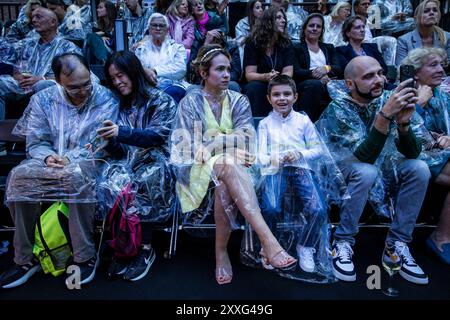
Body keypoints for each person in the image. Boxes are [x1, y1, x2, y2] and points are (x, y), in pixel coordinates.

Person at [170, 44, 297, 285]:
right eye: (220, 69)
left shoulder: (239, 99)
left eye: (228, 69)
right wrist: (228, 145)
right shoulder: (190, 102)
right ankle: (268, 242)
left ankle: (221, 253)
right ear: (203, 73)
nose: (227, 74)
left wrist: (216, 141)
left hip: (234, 168)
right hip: (196, 169)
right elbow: (189, 149)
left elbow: (247, 138)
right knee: (228, 164)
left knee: (226, 182)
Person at [0, 53, 119, 289]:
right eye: (74, 88)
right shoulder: (43, 99)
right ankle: (24, 258)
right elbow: (35, 141)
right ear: (57, 81)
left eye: (86, 84)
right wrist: (48, 156)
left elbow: (100, 144)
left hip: (89, 161)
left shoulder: (105, 98)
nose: (83, 91)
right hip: (49, 160)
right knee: (18, 179)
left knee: (75, 177)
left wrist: (69, 158)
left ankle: (84, 255)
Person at [316, 56, 431, 285]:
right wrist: (385, 117)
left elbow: (413, 152)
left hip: (383, 165)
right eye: (368, 76)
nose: (378, 80)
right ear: (350, 84)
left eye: (379, 73)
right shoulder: (338, 108)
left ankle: (396, 244)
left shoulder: (390, 99)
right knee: (366, 171)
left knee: (419, 168)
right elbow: (360, 157)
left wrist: (404, 125)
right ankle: (343, 241)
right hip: (344, 170)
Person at [251, 75, 346, 282]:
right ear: (268, 98)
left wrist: (299, 153)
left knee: (318, 208)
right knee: (271, 207)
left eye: (286, 94)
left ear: (295, 96)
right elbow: (259, 156)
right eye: (276, 94)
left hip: (301, 168)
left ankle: (306, 245)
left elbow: (318, 149)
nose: (282, 98)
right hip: (275, 169)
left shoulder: (303, 120)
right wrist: (273, 157)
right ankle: (270, 246)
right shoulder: (266, 124)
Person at [97, 50, 177, 281]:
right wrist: (109, 142)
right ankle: (123, 245)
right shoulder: (116, 105)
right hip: (128, 161)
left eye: (121, 75)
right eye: (112, 78)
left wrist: (121, 132)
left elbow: (158, 137)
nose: (117, 82)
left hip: (158, 159)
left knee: (147, 178)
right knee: (111, 179)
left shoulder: (161, 100)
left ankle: (144, 247)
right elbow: (120, 150)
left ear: (134, 72)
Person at [403, 47, 450, 265]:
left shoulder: (442, 95)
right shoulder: (403, 92)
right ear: (415, 72)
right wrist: (419, 103)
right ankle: (440, 237)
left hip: (441, 154)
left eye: (442, 64)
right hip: (413, 156)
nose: (441, 69)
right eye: (433, 65)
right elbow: (400, 132)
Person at [0, 8, 82, 123]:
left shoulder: (68, 47)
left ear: (53, 22)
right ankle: (2, 133)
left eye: (38, 17)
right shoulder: (28, 44)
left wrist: (42, 78)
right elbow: (13, 63)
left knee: (42, 85)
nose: (33, 20)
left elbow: (77, 77)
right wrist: (17, 75)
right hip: (24, 85)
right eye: (32, 17)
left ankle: (40, 130)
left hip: (52, 85)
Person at [243, 6, 294, 116]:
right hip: (260, 82)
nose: (283, 21)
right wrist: (265, 76)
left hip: (280, 82)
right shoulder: (253, 42)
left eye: (284, 18)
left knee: (288, 88)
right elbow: (249, 75)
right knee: (254, 87)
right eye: (278, 18)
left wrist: (278, 80)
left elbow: (288, 71)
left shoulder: (286, 43)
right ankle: (255, 123)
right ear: (268, 21)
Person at [293, 13, 342, 122]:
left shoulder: (328, 47)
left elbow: (338, 68)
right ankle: (306, 124)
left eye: (318, 26)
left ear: (322, 30)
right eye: (311, 25)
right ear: (305, 28)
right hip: (305, 84)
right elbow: (296, 72)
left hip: (328, 82)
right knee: (315, 85)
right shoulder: (296, 47)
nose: (314, 29)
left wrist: (326, 68)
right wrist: (318, 76)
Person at [133, 13, 187, 103]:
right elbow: (136, 68)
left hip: (173, 86)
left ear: (167, 30)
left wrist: (154, 70)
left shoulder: (177, 48)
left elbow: (180, 69)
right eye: (154, 25)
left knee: (172, 93)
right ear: (149, 29)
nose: (158, 28)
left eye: (161, 26)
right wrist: (144, 70)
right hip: (148, 87)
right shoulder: (141, 49)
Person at [396, 0, 450, 67]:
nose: (432, 13)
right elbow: (401, 69)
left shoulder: (447, 37)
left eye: (435, 10)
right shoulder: (404, 40)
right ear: (416, 18)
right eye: (426, 11)